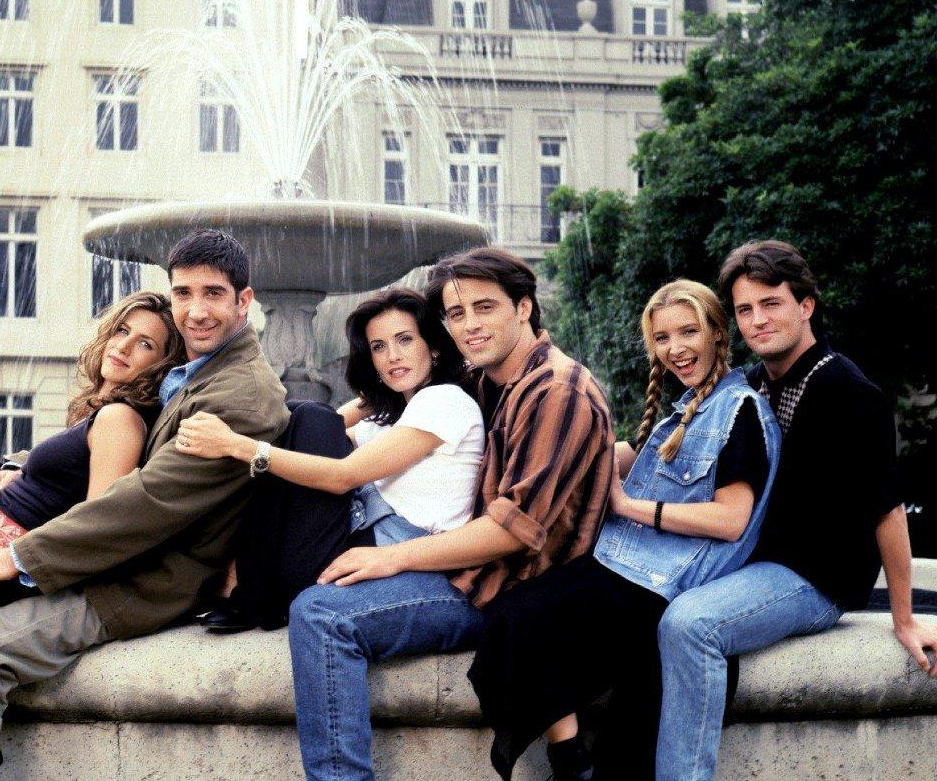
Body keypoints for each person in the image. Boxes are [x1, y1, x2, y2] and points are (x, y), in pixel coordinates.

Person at [0, 228, 289, 781]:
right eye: (183, 293)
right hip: (119, 565)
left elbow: (143, 502)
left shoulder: (239, 394)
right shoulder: (202, 373)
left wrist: (16, 558)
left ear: (245, 301)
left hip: (139, 586)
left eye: (213, 293)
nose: (195, 311)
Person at [277, 247, 615, 781]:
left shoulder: (557, 391)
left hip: (502, 589)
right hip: (468, 569)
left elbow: (510, 534)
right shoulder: (489, 380)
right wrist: (366, 394)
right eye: (457, 315)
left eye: (485, 308)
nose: (470, 325)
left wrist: (392, 559)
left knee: (323, 616)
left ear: (524, 307)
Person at [468, 279, 781, 781]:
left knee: (520, 618)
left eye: (688, 332)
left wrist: (630, 507)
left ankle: (570, 764)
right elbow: (624, 455)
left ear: (718, 335)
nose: (675, 349)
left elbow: (731, 520)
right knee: (511, 607)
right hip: (629, 565)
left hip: (663, 583)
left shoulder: (739, 411)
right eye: (662, 339)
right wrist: (569, 449)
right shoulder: (682, 410)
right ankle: (573, 759)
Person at [655, 240, 937, 781]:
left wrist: (903, 619)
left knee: (690, 625)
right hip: (755, 562)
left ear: (805, 305)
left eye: (771, 304)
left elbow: (888, 512)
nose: (757, 321)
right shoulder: (758, 383)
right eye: (744, 310)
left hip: (814, 578)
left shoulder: (850, 392)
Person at [174, 287, 485, 628]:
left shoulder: (445, 401)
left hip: (391, 550)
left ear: (435, 346)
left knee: (309, 415)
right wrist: (375, 397)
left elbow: (342, 474)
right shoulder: (396, 414)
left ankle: (245, 585)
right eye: (378, 347)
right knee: (301, 417)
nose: (393, 355)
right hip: (353, 541)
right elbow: (320, 436)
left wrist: (236, 445)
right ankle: (245, 584)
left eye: (405, 340)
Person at [0, 291, 185, 629]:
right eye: (122, 331)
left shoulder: (120, 420)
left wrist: (10, 575)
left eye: (146, 344)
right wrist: (14, 472)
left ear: (162, 367)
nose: (125, 346)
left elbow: (99, 525)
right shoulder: (101, 413)